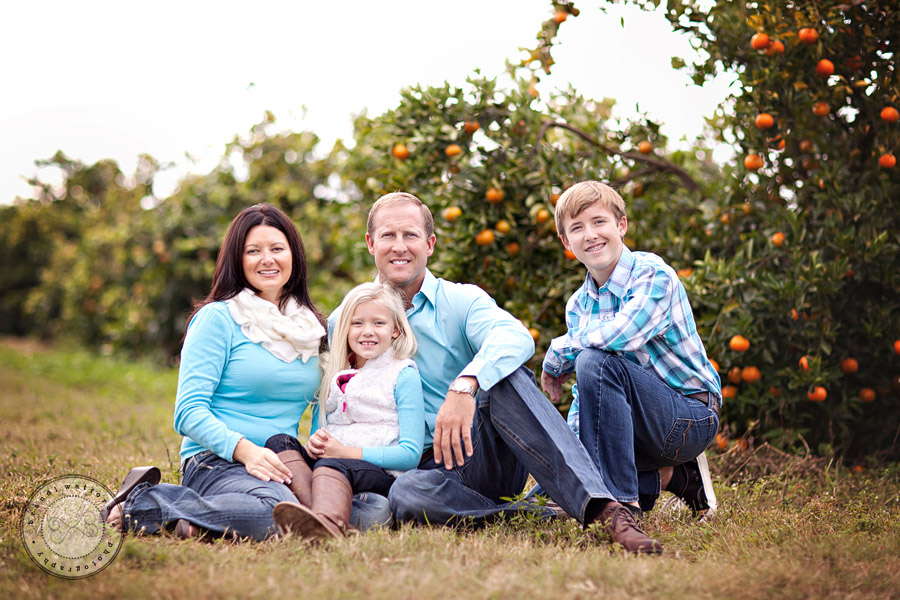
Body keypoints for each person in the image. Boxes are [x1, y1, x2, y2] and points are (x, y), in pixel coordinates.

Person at [359, 191, 660, 554]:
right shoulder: (352, 316)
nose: (399, 247)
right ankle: (527, 514)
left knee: (506, 378)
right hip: (420, 474)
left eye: (410, 235)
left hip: (480, 454)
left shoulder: (460, 300)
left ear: (430, 244)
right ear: (371, 243)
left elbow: (514, 336)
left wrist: (466, 385)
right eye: (389, 236)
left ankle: (601, 509)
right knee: (406, 496)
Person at [102, 203, 327, 541]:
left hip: (281, 462)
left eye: (277, 248)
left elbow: (325, 407)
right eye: (254, 251)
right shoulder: (218, 319)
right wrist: (246, 451)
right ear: (238, 259)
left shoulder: (309, 328)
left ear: (293, 255)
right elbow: (188, 412)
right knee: (280, 511)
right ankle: (144, 501)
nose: (268, 259)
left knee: (362, 506)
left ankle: (196, 523)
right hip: (217, 460)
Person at [541, 181, 722, 548]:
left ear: (621, 225)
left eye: (599, 222)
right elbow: (586, 397)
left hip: (688, 416)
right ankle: (678, 479)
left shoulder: (653, 274)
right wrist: (574, 471)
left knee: (594, 360)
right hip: (631, 430)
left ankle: (624, 509)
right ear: (566, 243)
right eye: (577, 228)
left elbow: (623, 335)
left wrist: (558, 352)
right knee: (567, 496)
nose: (590, 235)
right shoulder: (578, 305)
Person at [265, 281, 424, 539]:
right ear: (345, 329)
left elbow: (410, 454)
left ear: (395, 330)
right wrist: (316, 443)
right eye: (357, 323)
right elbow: (321, 433)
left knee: (336, 464)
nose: (367, 332)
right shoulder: (336, 373)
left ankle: (326, 524)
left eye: (379, 323)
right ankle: (316, 515)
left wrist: (345, 452)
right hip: (330, 467)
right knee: (279, 442)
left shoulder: (402, 374)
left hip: (376, 472)